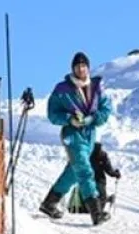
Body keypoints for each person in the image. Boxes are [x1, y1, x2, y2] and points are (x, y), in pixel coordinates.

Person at [41, 51, 113, 224]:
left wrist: (92, 119)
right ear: (73, 69)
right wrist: (69, 119)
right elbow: (52, 114)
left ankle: (49, 203)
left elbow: (106, 109)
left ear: (88, 67)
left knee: (73, 173)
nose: (81, 69)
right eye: (77, 66)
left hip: (89, 135)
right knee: (84, 170)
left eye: (83, 66)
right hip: (72, 135)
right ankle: (96, 212)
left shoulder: (97, 87)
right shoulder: (62, 90)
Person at [90, 142, 121, 213]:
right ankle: (99, 213)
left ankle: (92, 210)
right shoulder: (103, 155)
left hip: (87, 178)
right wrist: (116, 174)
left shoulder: (86, 152)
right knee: (102, 197)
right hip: (99, 180)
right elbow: (109, 170)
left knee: (90, 196)